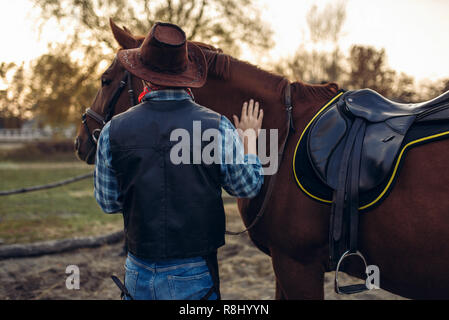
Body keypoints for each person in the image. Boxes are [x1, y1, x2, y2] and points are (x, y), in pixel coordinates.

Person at [94, 22, 264, 300]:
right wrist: (250, 145)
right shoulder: (218, 127)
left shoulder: (113, 131)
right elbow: (246, 187)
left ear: (143, 76)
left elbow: (108, 202)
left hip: (137, 270)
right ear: (186, 75)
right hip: (195, 270)